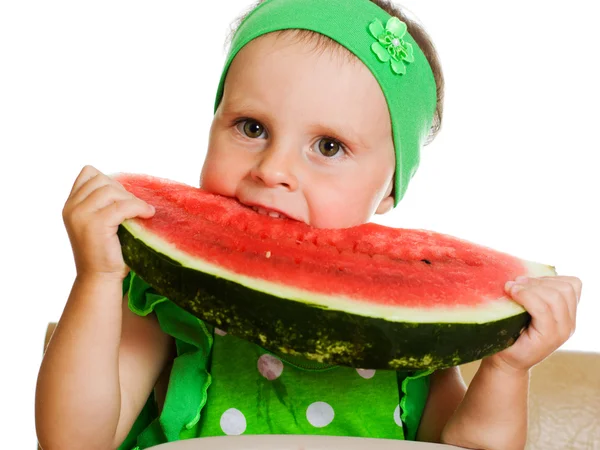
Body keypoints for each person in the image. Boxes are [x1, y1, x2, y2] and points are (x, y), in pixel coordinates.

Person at [35, 0, 582, 449]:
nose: (273, 170)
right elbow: (73, 442)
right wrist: (97, 280)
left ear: (390, 188)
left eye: (328, 146)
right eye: (251, 127)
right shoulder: (164, 298)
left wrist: (506, 370)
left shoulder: (407, 338)